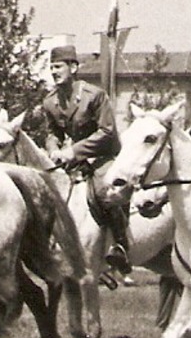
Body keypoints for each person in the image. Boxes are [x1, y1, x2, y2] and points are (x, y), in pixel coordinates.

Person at [39, 43, 131, 273]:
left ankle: (120, 244)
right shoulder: (51, 101)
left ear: (73, 67)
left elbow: (107, 132)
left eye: (58, 66)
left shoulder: (94, 95)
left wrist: (72, 151)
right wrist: (53, 148)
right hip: (74, 161)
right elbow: (52, 132)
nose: (53, 71)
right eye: (51, 67)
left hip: (104, 156)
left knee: (105, 189)